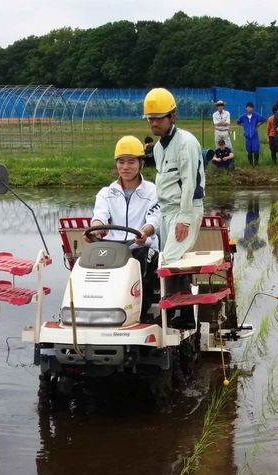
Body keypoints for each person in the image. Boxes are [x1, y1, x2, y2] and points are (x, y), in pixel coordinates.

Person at [143, 87, 205, 327]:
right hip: (166, 211)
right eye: (150, 118)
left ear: (173, 117)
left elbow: (189, 183)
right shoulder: (158, 148)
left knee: (169, 260)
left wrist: (185, 219)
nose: (154, 123)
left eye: (159, 117)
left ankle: (186, 315)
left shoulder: (186, 143)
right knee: (170, 261)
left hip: (184, 210)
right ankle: (177, 312)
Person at [88, 135, 161, 316]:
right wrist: (96, 228)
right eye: (121, 162)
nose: (125, 167)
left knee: (142, 259)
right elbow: (100, 216)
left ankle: (140, 311)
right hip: (114, 250)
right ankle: (94, 309)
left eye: (131, 162)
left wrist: (144, 232)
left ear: (141, 163)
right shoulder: (106, 193)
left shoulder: (152, 191)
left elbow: (154, 219)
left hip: (141, 246)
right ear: (116, 164)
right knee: (87, 260)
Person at [236, 102, 266, 166]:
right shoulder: (243, 116)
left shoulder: (256, 115)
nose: (250, 109)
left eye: (251, 108)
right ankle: (251, 164)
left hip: (254, 135)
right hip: (247, 136)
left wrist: (258, 125)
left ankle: (256, 163)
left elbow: (264, 119)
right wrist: (243, 126)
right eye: (248, 107)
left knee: (256, 149)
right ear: (246, 108)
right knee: (249, 150)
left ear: (253, 108)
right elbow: (238, 122)